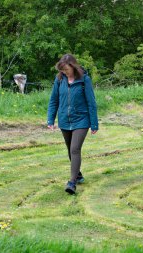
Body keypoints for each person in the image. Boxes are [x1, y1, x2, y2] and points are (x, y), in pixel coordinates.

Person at [47, 54, 99, 194]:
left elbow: (91, 103)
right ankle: (78, 174)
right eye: (62, 70)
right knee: (70, 149)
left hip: (81, 120)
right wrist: (50, 119)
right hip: (64, 120)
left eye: (67, 70)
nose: (65, 72)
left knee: (75, 149)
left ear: (73, 66)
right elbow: (54, 101)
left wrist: (94, 123)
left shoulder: (84, 80)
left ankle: (72, 182)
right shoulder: (59, 80)